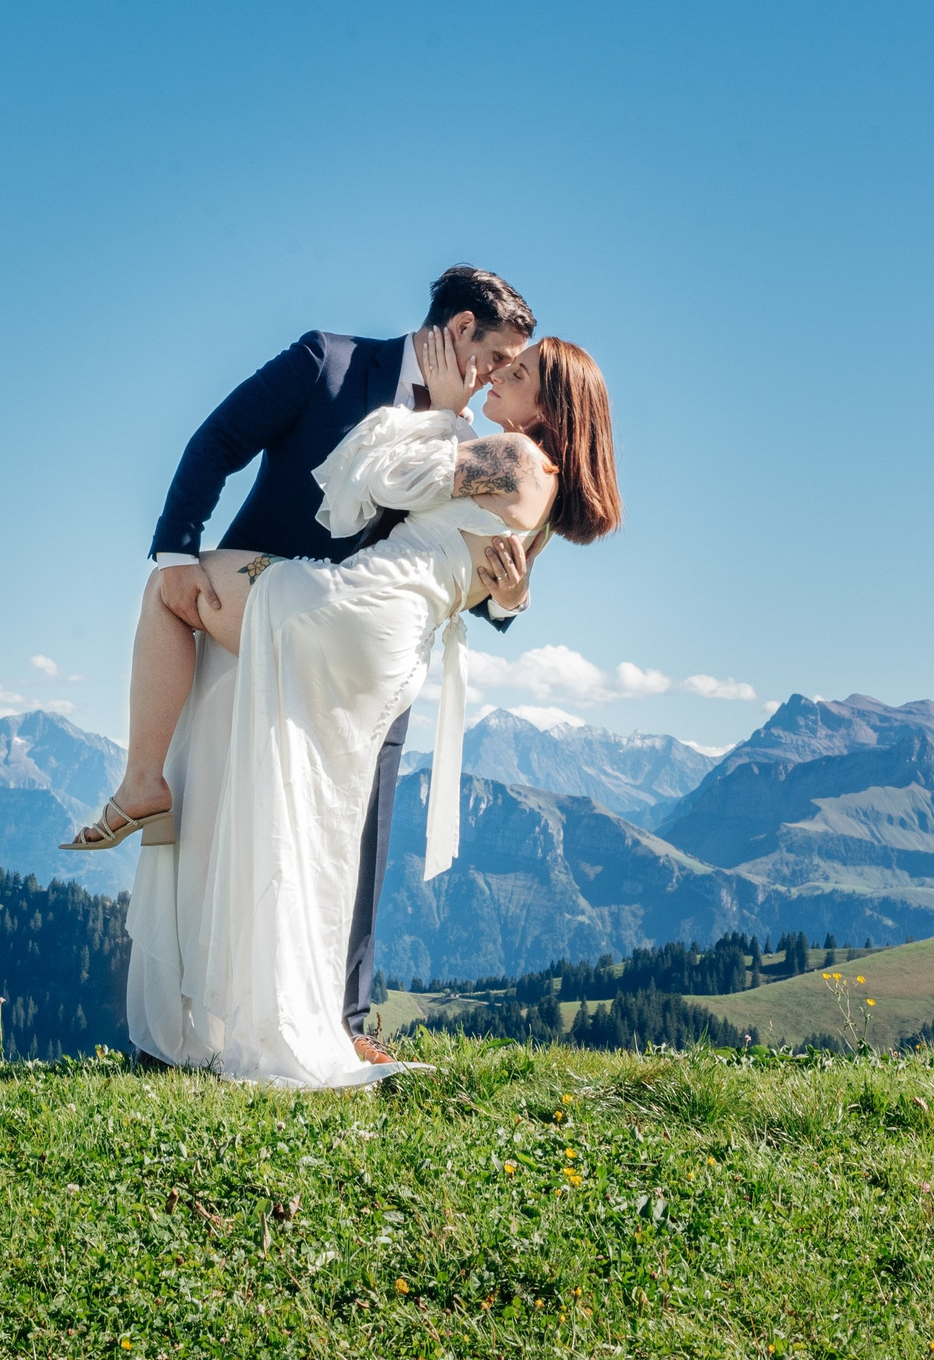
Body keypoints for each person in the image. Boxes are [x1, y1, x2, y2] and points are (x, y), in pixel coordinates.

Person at [111, 332, 619, 1087]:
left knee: (170, 587)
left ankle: (143, 782)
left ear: (553, 405)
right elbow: (493, 584)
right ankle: (283, 1012)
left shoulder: (507, 457)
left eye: (521, 371)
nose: (499, 375)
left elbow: (382, 475)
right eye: (505, 360)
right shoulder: (538, 492)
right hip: (390, 650)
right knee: (309, 817)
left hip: (347, 613)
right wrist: (515, 593)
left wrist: (442, 414)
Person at [68, 265, 538, 1053]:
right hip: (259, 609)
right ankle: (199, 1023)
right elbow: (217, 438)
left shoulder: (473, 437)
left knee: (361, 827)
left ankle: (343, 1020)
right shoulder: (329, 362)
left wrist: (509, 601)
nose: (494, 380)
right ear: (460, 332)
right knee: (220, 809)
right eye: (496, 358)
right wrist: (179, 551)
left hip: (366, 649)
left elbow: (469, 559)